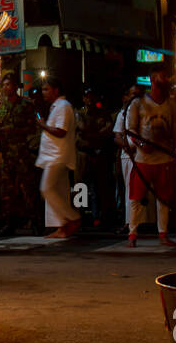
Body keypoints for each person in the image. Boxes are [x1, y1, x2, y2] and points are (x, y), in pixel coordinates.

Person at [126, 67, 176, 247]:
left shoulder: (171, 104)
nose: (165, 79)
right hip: (144, 158)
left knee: (164, 198)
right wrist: (141, 144)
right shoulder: (138, 103)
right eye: (162, 76)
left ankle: (162, 234)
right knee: (136, 197)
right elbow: (130, 130)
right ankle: (132, 233)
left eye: (166, 76)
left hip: (164, 158)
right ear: (152, 79)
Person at [0, 73, 41, 235]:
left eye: (9, 85)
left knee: (28, 187)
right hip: (4, 154)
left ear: (16, 87)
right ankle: (9, 223)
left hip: (21, 152)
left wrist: (13, 131)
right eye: (4, 85)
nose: (6, 88)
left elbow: (32, 128)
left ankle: (35, 221)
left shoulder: (26, 105)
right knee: (7, 190)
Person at [36, 78, 81, 238]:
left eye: (46, 89)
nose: (44, 93)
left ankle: (73, 218)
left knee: (46, 188)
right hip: (54, 155)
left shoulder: (63, 107)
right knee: (60, 191)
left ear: (56, 90)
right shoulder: (58, 107)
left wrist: (43, 125)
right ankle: (63, 227)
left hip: (58, 156)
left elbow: (61, 131)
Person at [76, 87, 113, 227]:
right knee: (80, 185)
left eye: (91, 96)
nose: (89, 100)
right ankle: (80, 215)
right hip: (82, 153)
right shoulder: (79, 112)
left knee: (98, 186)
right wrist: (96, 133)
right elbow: (82, 128)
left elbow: (107, 130)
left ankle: (98, 216)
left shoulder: (103, 114)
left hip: (98, 152)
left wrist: (93, 135)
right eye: (86, 97)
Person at [112, 84, 145, 234]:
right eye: (133, 94)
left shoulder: (146, 112)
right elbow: (117, 135)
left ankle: (144, 222)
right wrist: (127, 146)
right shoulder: (123, 114)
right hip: (128, 155)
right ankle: (130, 222)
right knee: (130, 190)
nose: (135, 98)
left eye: (138, 94)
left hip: (145, 155)